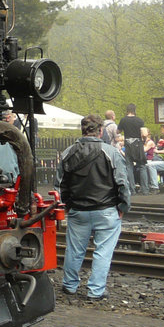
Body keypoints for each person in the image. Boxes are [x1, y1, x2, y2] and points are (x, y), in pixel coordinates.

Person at [56, 114, 131, 300]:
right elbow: (122, 184)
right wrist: (123, 206)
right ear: (101, 131)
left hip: (78, 211)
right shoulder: (111, 152)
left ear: (83, 130)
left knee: (74, 249)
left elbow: (60, 185)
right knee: (103, 251)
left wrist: (67, 206)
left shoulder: (67, 153)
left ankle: (69, 285)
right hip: (106, 210)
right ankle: (95, 291)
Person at [117, 103, 148, 194]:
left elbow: (118, 131)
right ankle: (145, 190)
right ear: (135, 110)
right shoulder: (139, 120)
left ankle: (132, 189)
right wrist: (144, 140)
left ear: (127, 110)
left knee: (129, 166)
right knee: (142, 166)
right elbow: (145, 133)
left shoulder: (123, 120)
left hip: (128, 145)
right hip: (138, 144)